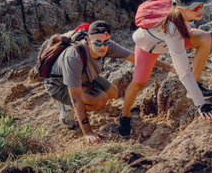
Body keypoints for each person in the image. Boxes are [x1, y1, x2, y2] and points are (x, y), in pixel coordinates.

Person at [118, 0, 212, 136]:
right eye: (194, 8)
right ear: (181, 8)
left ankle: (195, 86)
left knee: (204, 38)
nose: (199, 10)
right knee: (138, 84)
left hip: (177, 37)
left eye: (201, 5)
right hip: (149, 48)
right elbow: (183, 72)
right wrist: (201, 105)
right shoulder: (172, 30)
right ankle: (124, 116)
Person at [44, 20, 174, 144]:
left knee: (113, 93)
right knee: (99, 100)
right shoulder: (73, 57)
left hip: (87, 76)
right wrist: (88, 132)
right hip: (60, 84)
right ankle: (66, 109)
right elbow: (76, 98)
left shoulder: (107, 46)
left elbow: (137, 58)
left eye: (106, 42)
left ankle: (83, 95)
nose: (102, 47)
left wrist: (168, 66)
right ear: (88, 40)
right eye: (98, 43)